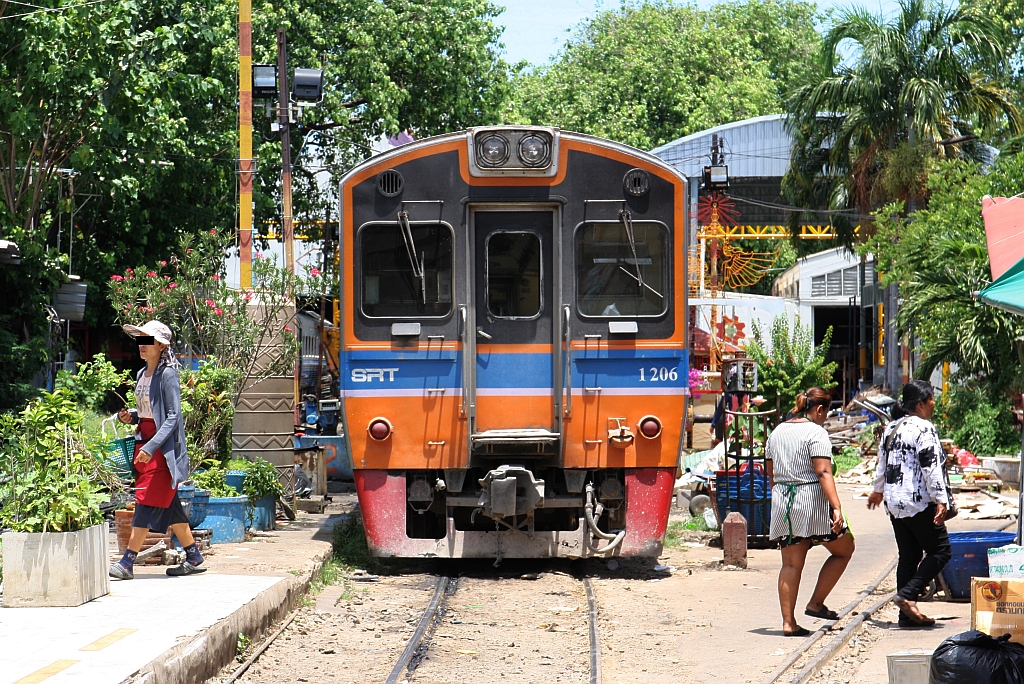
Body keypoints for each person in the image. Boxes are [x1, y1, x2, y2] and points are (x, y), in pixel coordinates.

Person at [109, 320, 206, 579]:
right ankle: (193, 555)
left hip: (162, 453)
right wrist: (132, 416)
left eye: (148, 340)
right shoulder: (142, 374)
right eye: (140, 339)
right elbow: (149, 413)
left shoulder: (168, 375)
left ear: (161, 345)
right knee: (169, 506)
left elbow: (173, 418)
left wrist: (152, 447)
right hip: (145, 449)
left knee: (144, 501)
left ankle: (127, 562)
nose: (142, 345)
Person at [766, 386, 855, 637]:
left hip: (783, 501)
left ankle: (788, 622)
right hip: (812, 503)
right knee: (844, 549)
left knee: (791, 564)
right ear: (818, 409)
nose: (825, 417)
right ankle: (816, 603)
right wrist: (836, 508)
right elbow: (823, 472)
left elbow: (769, 472)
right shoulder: (816, 433)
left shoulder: (777, 432)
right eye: (825, 412)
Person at [867, 380, 951, 627]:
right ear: (921, 403)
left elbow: (882, 465)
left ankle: (906, 617)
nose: (934, 403)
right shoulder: (924, 429)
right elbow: (931, 467)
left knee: (909, 555)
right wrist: (940, 500)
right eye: (932, 399)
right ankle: (907, 595)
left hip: (895, 503)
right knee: (941, 550)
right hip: (918, 501)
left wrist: (877, 491)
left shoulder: (891, 428)